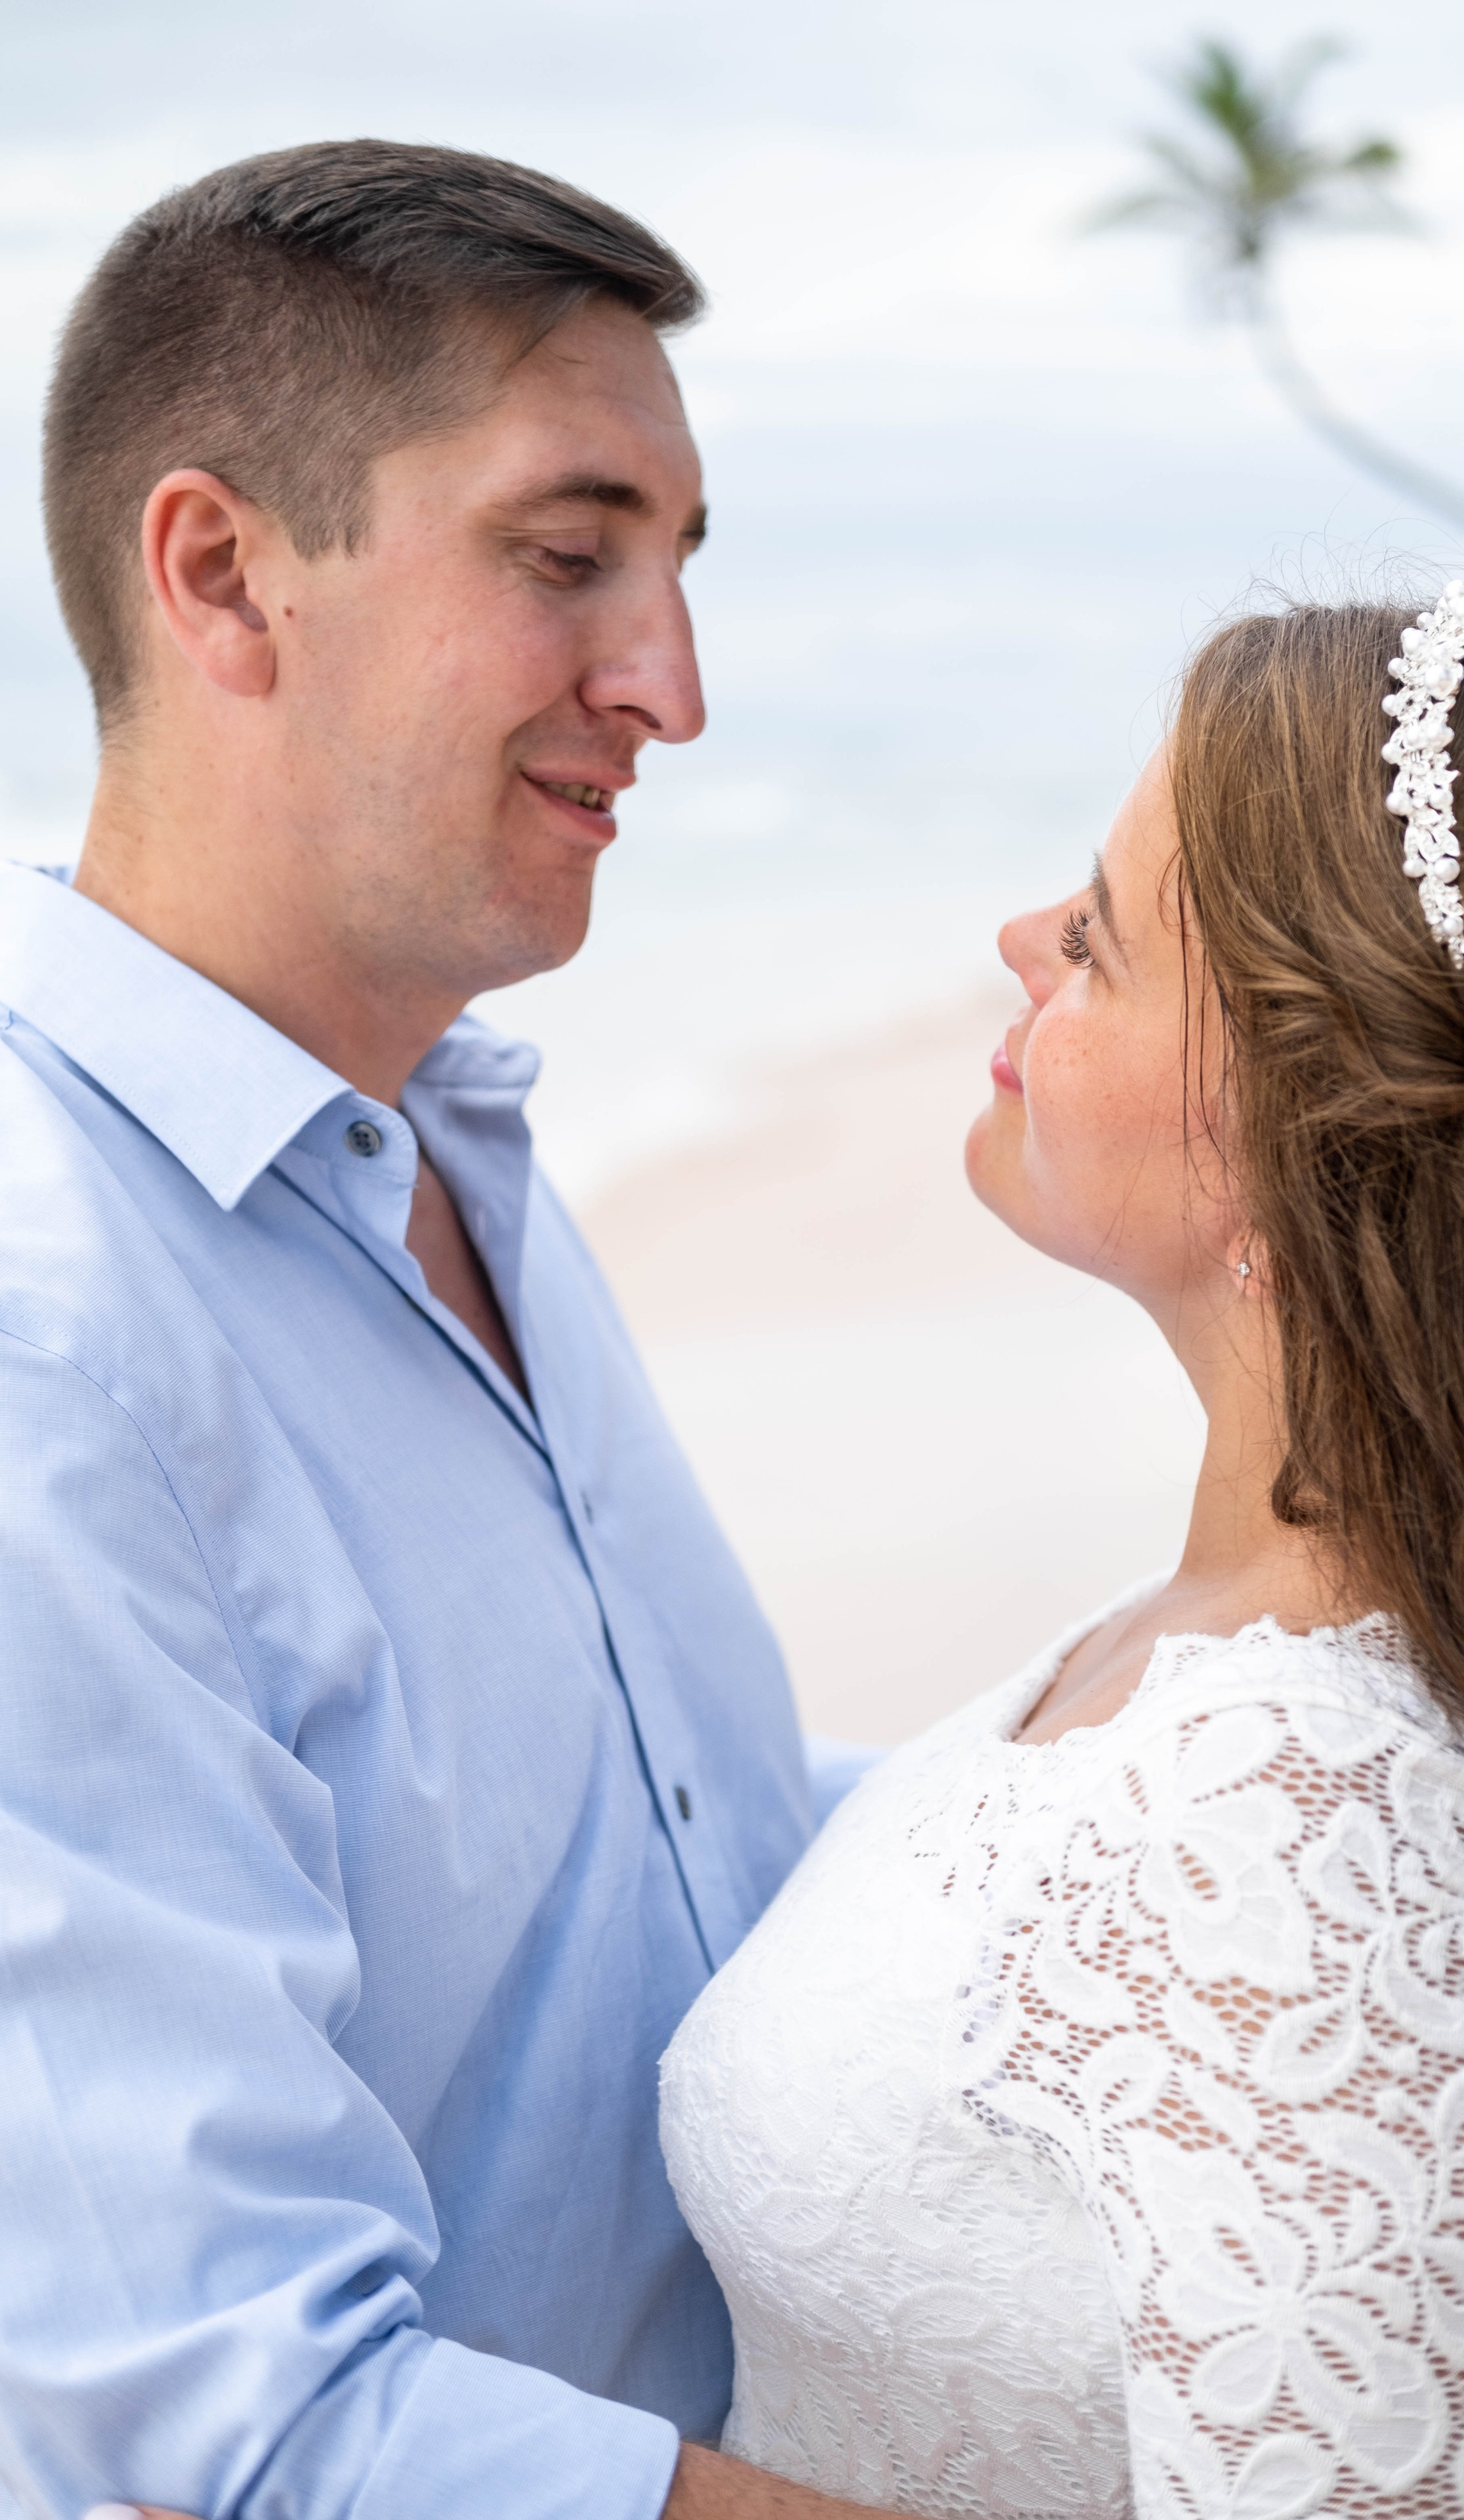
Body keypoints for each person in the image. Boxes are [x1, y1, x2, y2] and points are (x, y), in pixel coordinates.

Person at [0, 138, 875, 2520]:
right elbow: (260, 2427)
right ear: (223, 574)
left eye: (679, 574)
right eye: (568, 558)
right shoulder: (44, 1331)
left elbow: (700, 1861)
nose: (668, 690)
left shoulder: (444, 1130)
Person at [658, 589, 1464, 2517]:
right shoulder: (1214, 1656)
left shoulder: (1312, 1832)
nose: (1017, 945)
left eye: (1100, 942)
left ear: (1293, 1149)